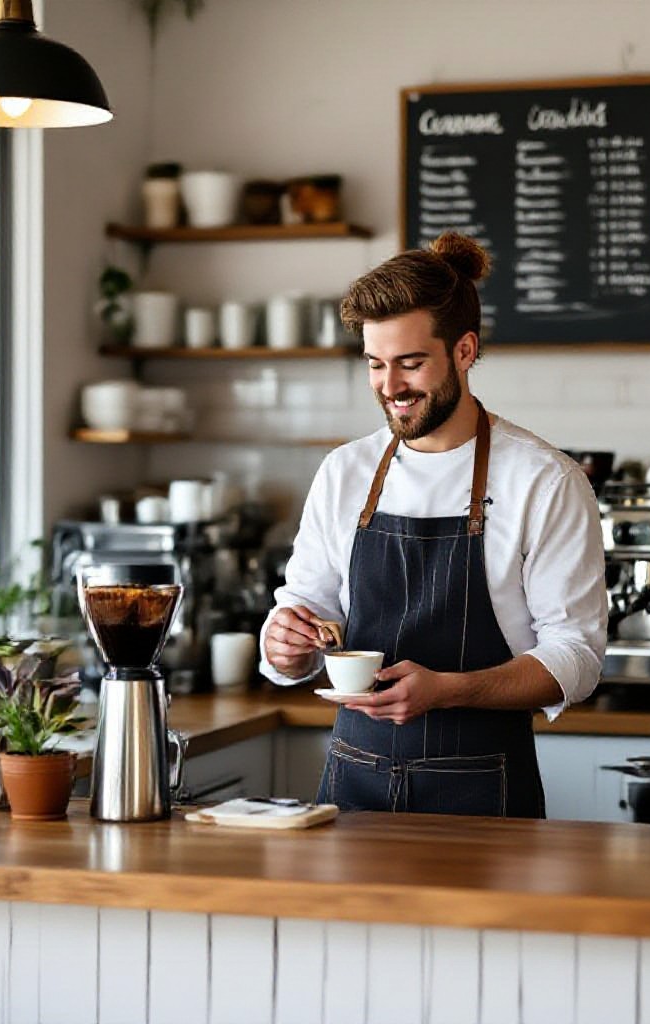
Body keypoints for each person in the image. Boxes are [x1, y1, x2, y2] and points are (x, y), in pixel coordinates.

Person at [259, 232, 607, 817]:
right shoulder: (345, 472)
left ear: (465, 351)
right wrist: (286, 645)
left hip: (482, 789)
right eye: (375, 364)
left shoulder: (544, 480)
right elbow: (304, 609)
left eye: (411, 364)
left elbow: (576, 657)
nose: (390, 387)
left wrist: (450, 690)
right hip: (352, 787)